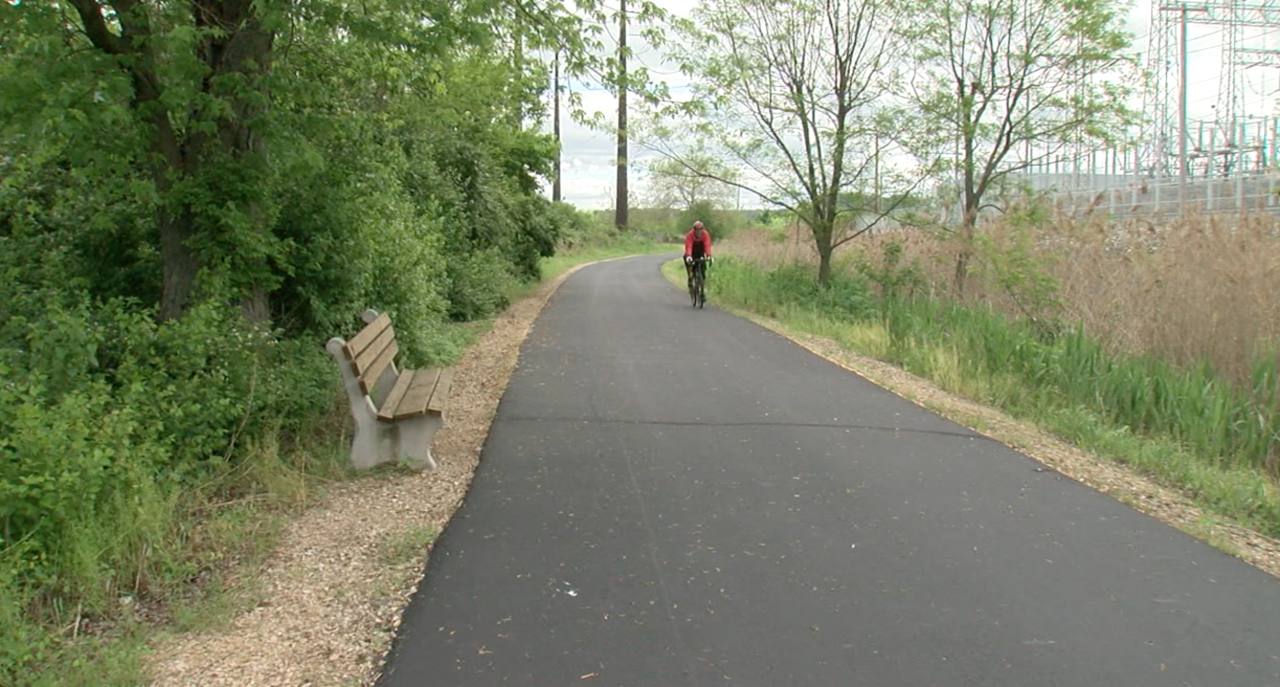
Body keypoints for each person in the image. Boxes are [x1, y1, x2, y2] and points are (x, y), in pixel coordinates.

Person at [684, 220, 713, 290]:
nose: (698, 232)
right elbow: (689, 246)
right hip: (692, 251)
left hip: (700, 251)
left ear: (702, 229)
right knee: (688, 262)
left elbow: (707, 245)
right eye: (697, 230)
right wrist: (688, 256)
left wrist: (709, 255)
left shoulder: (705, 234)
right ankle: (690, 277)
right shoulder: (690, 235)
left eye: (700, 230)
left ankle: (702, 285)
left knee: (703, 267)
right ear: (694, 230)